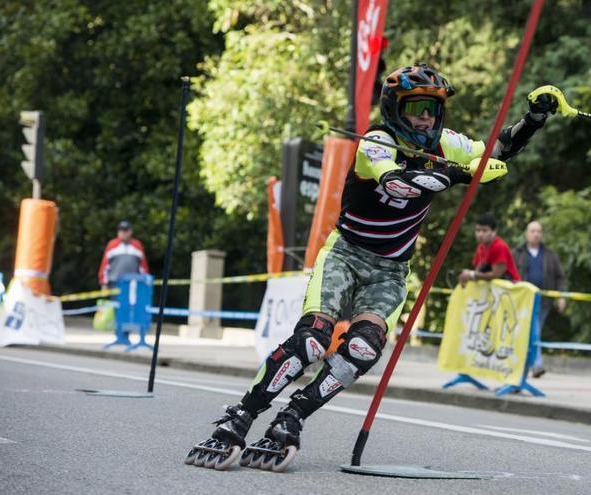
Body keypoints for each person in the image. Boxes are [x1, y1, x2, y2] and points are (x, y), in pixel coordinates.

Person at [186, 63, 559, 470]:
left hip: (391, 268)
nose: (426, 117)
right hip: (345, 254)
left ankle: (291, 418)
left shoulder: (445, 142)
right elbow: (395, 183)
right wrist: (457, 175)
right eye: (417, 107)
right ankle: (239, 416)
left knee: (363, 347)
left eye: (433, 110)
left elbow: (497, 149)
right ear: (396, 108)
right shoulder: (377, 141)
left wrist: (534, 118)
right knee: (313, 339)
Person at [512, 220, 567, 378]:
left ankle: (530, 364)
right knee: (533, 331)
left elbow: (560, 277)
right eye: (532, 231)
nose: (536, 234)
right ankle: (535, 364)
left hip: (543, 301)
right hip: (522, 300)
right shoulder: (517, 253)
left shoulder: (550, 255)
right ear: (526, 234)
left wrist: (561, 296)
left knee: (534, 330)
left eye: (538, 231)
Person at [458, 213, 520, 287]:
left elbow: (496, 274)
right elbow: (478, 270)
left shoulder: (499, 246)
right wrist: (467, 276)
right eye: (478, 230)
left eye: (484, 231)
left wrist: (471, 274)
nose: (480, 234)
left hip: (511, 288)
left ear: (494, 232)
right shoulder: (481, 247)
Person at [98, 220, 149, 290]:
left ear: (131, 231)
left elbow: (143, 268)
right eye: (121, 230)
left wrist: (145, 282)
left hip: (132, 285)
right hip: (114, 284)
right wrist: (103, 283)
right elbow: (104, 267)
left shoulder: (137, 245)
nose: (123, 233)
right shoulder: (111, 245)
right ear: (118, 232)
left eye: (126, 230)